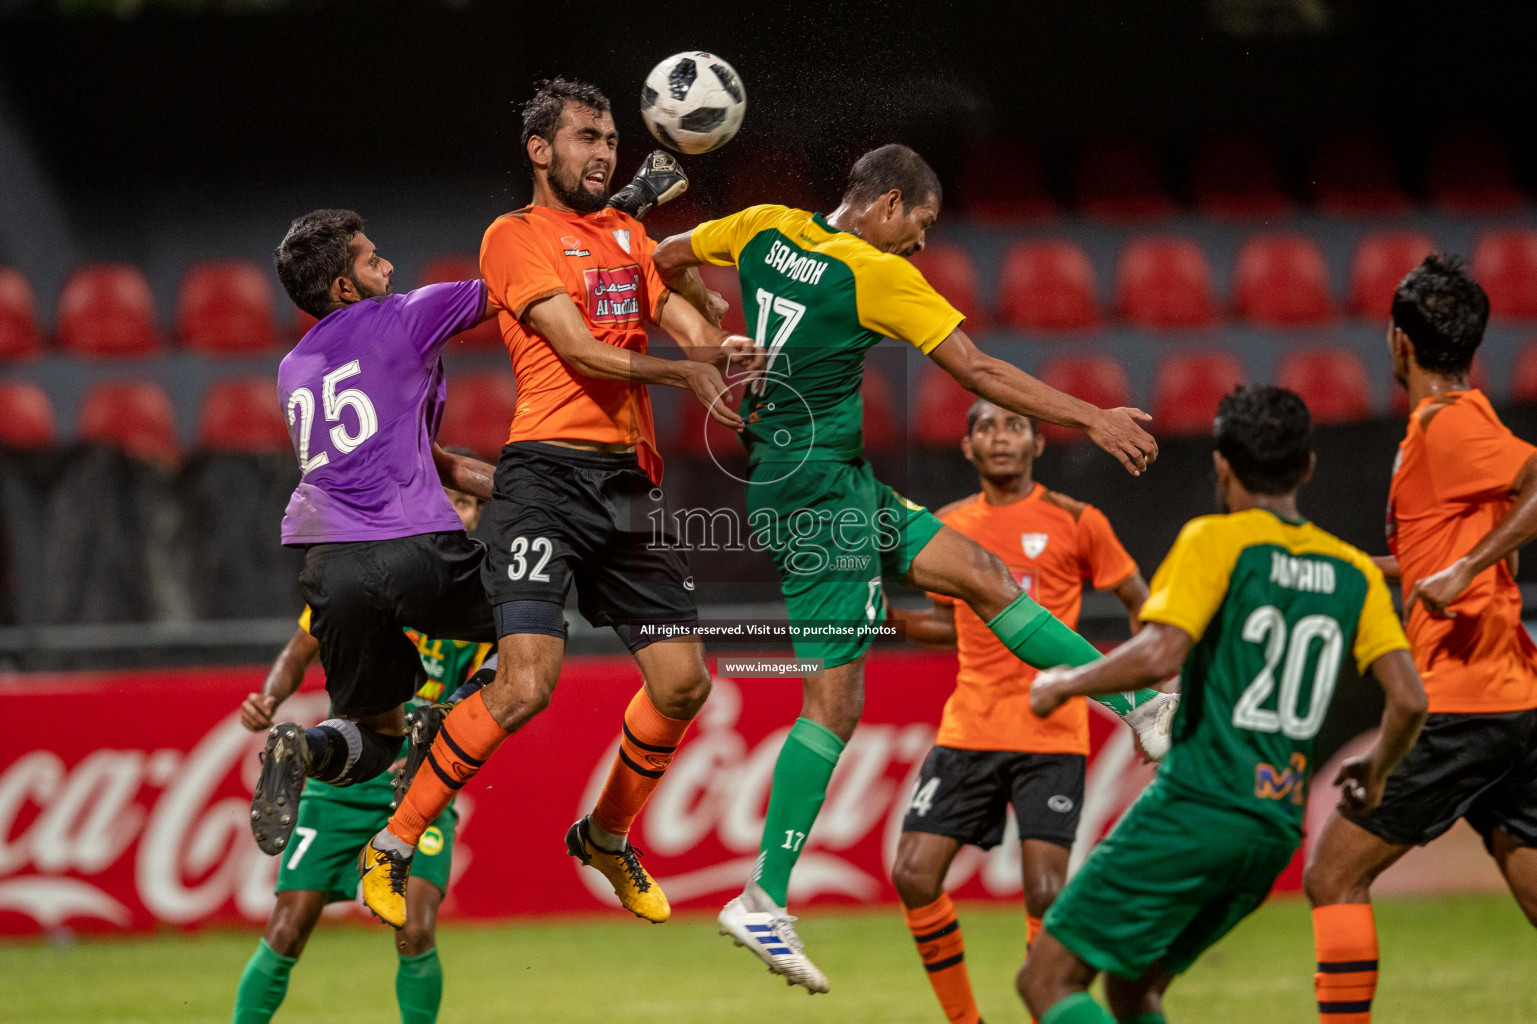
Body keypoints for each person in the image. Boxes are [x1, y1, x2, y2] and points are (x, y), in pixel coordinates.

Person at [650, 142, 1173, 991]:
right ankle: (763, 896)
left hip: (832, 482)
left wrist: (714, 334)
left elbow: (664, 257)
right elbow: (978, 368)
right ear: (889, 202)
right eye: (921, 225)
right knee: (835, 698)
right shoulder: (873, 272)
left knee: (984, 577)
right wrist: (1092, 417)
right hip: (815, 499)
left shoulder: (763, 224)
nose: (922, 245)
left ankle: (1141, 705)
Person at [361, 78, 762, 930]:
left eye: (611, 138)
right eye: (586, 137)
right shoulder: (512, 236)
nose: (605, 152)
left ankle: (605, 837)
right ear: (540, 151)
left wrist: (723, 348)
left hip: (628, 482)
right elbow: (577, 349)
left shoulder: (627, 232)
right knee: (525, 685)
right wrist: (682, 371)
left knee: (684, 685)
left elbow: (686, 329)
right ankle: (391, 845)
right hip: (545, 479)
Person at [258, 152, 695, 860]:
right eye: (372, 262)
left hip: (328, 567)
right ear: (344, 285)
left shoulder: (293, 369)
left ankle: (302, 749)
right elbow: (528, 269)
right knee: (534, 618)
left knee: (371, 740)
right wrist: (634, 198)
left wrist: (510, 487)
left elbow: (413, 457)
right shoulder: (400, 319)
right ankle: (455, 719)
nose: (389, 268)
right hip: (415, 547)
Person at [1016, 385, 1427, 1024]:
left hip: (1196, 807)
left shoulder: (1216, 540)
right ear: (1308, 467)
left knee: (1047, 980)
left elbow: (1160, 654)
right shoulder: (1350, 570)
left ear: (1222, 465)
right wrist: (1376, 772)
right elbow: (1408, 698)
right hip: (1272, 832)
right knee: (1133, 987)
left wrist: (1065, 682)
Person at [1302, 255, 1537, 1024]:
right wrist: (1345, 571)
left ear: (1398, 341)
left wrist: (1468, 565)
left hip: (1461, 703)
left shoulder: (1449, 423)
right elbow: (1429, 564)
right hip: (1507, 696)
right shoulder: (1450, 425)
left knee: (1331, 876)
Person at [887, 401, 1149, 1024]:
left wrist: (1144, 698)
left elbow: (1141, 602)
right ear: (966, 447)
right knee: (914, 875)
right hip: (970, 726)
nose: (1000, 437)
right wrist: (890, 619)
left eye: (1014, 426)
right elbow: (954, 627)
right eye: (985, 427)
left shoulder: (1077, 521)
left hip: (1052, 730)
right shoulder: (947, 526)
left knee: (1045, 891)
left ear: (1037, 444)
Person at [230, 463, 493, 1024]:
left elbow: (505, 673)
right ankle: (303, 750)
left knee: (415, 930)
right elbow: (302, 647)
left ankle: (306, 749)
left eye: (467, 503)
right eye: (446, 499)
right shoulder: (388, 568)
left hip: (418, 786)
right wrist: (269, 697)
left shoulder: (485, 595)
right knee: (287, 929)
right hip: (348, 783)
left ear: (477, 515)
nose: (456, 510)